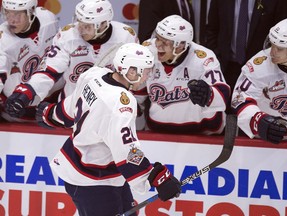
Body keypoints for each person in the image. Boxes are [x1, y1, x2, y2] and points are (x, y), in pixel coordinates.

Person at [35, 43, 181, 216]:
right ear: (131, 71)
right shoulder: (121, 103)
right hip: (93, 181)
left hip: (99, 173)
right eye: (146, 70)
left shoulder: (94, 75)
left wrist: (49, 114)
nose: (149, 75)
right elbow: (127, 150)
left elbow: (71, 106)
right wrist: (156, 177)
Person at [4, 0, 138, 119]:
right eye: (80, 22)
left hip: (108, 110)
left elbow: (133, 77)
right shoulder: (68, 36)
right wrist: (28, 91)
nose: (80, 29)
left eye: (87, 26)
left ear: (103, 24)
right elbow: (50, 69)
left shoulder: (125, 37)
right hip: (70, 108)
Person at [135, 15, 230, 135]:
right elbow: (137, 92)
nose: (158, 45)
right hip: (157, 134)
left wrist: (209, 94)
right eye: (157, 38)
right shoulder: (148, 51)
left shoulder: (203, 58)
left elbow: (223, 95)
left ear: (180, 45)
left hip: (202, 135)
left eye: (164, 42)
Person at [205, 0, 287, 93]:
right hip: (225, 67)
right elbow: (212, 29)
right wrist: (217, 58)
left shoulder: (277, 2)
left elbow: (281, 32)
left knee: (250, 105)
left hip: (259, 70)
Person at [231, 18, 287, 144]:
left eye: (279, 48)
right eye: (272, 44)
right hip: (264, 138)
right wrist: (258, 120)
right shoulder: (259, 65)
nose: (272, 52)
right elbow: (240, 98)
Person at [0, 0, 59, 122]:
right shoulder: (3, 41)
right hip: (19, 109)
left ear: (31, 12)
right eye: (8, 13)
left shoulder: (48, 19)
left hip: (53, 101)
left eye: (17, 14)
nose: (12, 20)